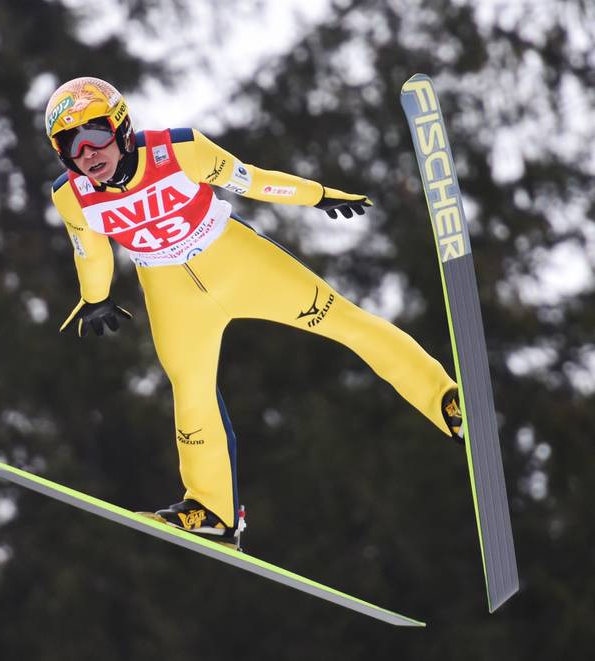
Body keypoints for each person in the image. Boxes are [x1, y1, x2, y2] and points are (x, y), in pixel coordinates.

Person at [45, 76, 463, 549]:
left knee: (344, 321)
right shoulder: (72, 194)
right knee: (191, 391)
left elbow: (252, 179)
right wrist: (94, 295)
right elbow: (90, 251)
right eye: (71, 146)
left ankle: (446, 401)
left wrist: (317, 194)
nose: (87, 153)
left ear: (120, 128)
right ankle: (213, 511)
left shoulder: (180, 150)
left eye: (95, 135)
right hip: (171, 293)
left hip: (237, 262)